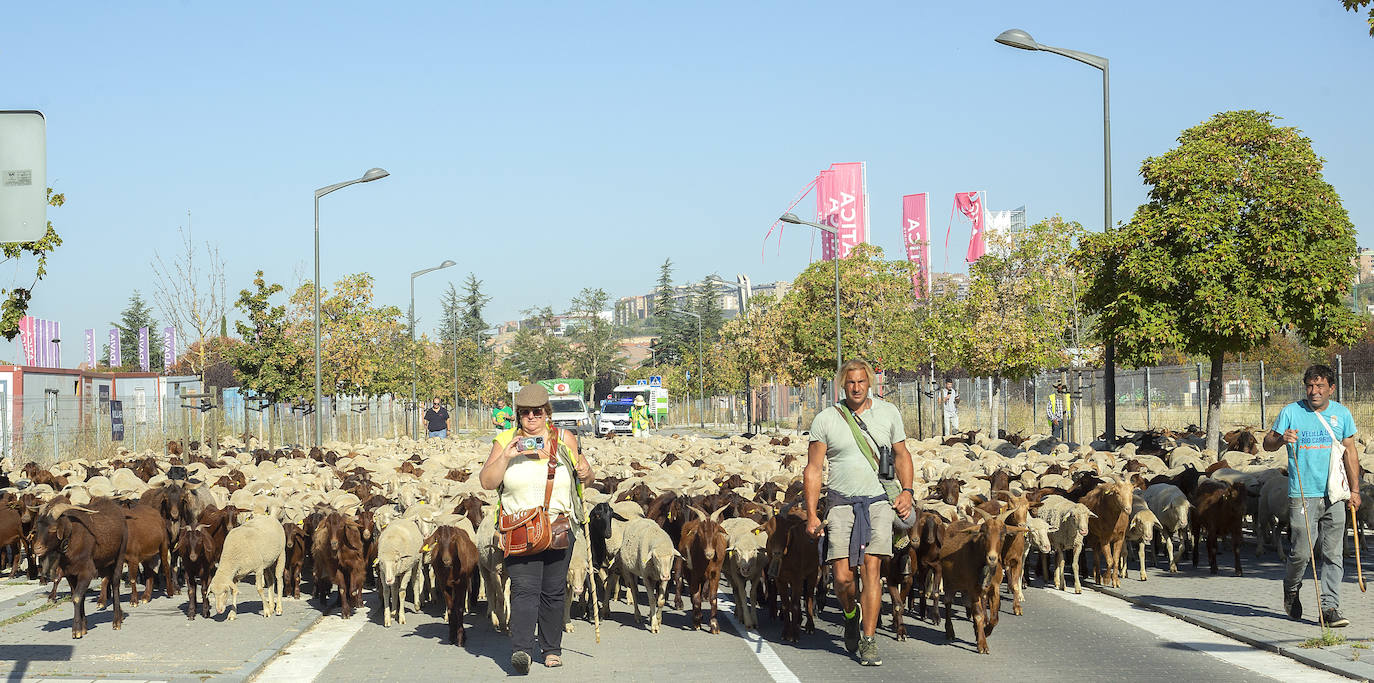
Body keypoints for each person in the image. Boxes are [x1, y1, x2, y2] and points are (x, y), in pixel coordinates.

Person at [805, 359, 914, 667]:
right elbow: (814, 469)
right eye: (850, 382)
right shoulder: (827, 418)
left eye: (861, 382)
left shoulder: (888, 413)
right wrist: (812, 513)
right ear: (844, 384)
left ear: (870, 383)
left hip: (878, 502)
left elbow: (902, 454)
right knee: (841, 577)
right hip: (840, 503)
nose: (856, 387)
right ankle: (850, 613)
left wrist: (907, 491)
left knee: (872, 572)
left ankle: (868, 639)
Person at [479, 384, 594, 673]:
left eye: (538, 412)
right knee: (524, 589)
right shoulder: (505, 439)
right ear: (518, 414)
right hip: (520, 526)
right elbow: (487, 481)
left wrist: (586, 471)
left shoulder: (565, 438)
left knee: (554, 590)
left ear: (547, 413)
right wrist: (506, 456)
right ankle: (522, 650)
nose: (532, 417)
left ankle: (552, 648)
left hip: (558, 525)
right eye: (526, 412)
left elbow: (586, 478)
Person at [1262, 364, 1361, 628]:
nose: (1314, 391)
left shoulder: (1341, 414)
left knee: (1332, 554)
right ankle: (1291, 588)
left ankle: (1329, 608)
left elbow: (1350, 452)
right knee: (1302, 553)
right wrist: (1282, 439)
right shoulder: (1292, 412)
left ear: (1331, 388)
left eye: (1319, 386)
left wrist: (1355, 490)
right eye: (1309, 386)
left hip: (1335, 494)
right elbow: (1267, 444)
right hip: (1303, 494)